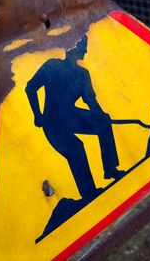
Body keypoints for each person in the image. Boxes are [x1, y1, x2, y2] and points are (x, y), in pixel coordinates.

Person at [26, 36, 125, 199]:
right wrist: (38, 115)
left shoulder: (82, 74)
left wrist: (101, 116)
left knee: (103, 123)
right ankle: (89, 193)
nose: (86, 51)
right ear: (71, 48)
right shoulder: (52, 66)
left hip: (71, 116)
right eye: (83, 46)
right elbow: (31, 88)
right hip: (53, 122)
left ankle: (110, 169)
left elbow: (91, 101)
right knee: (76, 148)